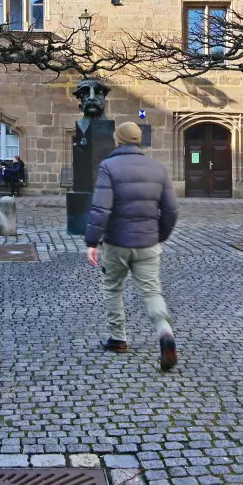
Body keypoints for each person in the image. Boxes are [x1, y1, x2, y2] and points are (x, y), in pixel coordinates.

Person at [85, 121, 179, 372]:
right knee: (151, 292)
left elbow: (101, 208)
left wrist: (92, 241)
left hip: (116, 243)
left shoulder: (108, 167)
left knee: (113, 288)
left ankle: (118, 339)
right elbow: (170, 210)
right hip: (148, 242)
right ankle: (164, 331)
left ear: (118, 140)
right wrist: (159, 235)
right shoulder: (158, 168)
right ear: (139, 140)